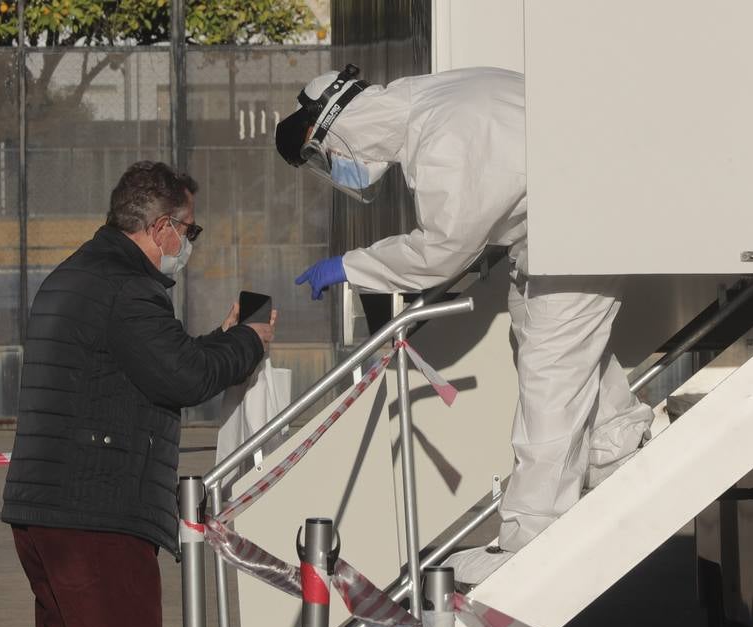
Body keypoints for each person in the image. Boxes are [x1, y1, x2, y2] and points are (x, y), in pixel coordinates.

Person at [1, 161, 275, 627]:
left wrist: (211, 342)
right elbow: (181, 378)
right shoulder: (126, 289)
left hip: (45, 511)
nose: (191, 243)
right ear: (159, 227)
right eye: (190, 229)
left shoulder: (78, 275)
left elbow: (162, 362)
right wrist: (249, 343)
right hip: (98, 514)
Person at [276, 65, 654, 586]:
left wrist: (351, 265)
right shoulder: (437, 98)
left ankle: (532, 540)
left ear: (337, 126)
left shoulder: (438, 138)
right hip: (579, 224)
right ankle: (619, 439)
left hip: (580, 234)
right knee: (544, 335)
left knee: (550, 370)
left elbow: (441, 250)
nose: (338, 169)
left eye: (326, 156)